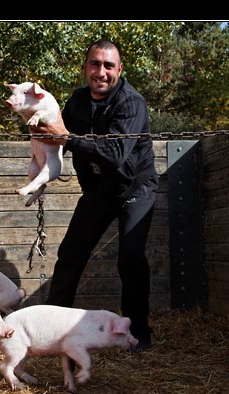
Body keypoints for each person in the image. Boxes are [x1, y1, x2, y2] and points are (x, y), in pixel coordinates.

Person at [31, 39, 158, 352]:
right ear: (85, 66)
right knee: (70, 254)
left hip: (135, 188)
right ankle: (51, 331)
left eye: (108, 65)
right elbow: (53, 128)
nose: (101, 72)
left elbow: (115, 153)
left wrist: (67, 140)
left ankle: (138, 333)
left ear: (119, 70)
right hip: (99, 192)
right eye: (95, 64)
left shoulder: (131, 103)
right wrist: (31, 116)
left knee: (130, 256)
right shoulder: (77, 101)